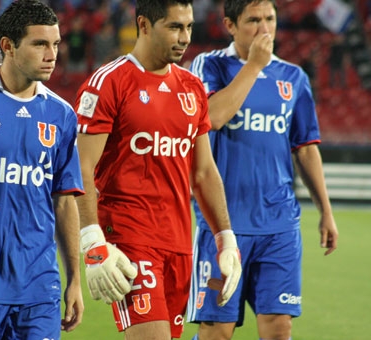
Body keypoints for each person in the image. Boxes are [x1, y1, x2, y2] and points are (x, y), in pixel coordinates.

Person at [73, 1, 242, 339]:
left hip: (179, 245)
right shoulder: (110, 82)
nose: (184, 37)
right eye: (174, 27)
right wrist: (92, 241)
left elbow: (204, 172)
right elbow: (81, 166)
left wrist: (226, 238)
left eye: (189, 27)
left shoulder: (192, 88)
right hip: (129, 239)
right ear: (145, 25)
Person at [185, 1, 340, 339]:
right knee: (217, 331)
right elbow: (212, 117)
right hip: (223, 226)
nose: (264, 28)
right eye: (253, 20)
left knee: (278, 329)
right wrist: (254, 66)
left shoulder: (293, 77)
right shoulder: (209, 65)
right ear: (230, 25)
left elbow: (306, 148)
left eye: (269, 18)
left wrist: (325, 210)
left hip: (279, 225)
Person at [0, 0, 85, 339]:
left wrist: (74, 280)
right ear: (8, 46)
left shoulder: (61, 114)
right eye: (40, 43)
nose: (52, 54)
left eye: (55, 44)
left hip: (39, 288)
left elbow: (64, 200)